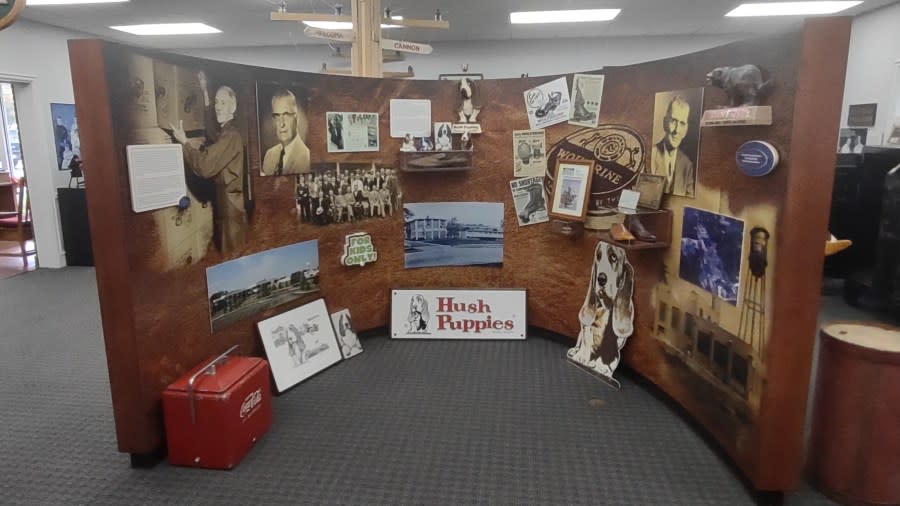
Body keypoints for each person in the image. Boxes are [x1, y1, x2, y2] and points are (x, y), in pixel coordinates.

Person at [171, 73, 247, 255]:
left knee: (232, 257)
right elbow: (213, 133)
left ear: (233, 106)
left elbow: (205, 166)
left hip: (231, 212)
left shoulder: (231, 136)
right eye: (216, 103)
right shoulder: (227, 132)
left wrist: (185, 143)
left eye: (223, 103)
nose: (218, 107)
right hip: (227, 207)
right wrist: (205, 93)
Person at [650, 95, 696, 198]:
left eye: (682, 123)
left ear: (686, 129)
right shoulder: (651, 156)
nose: (677, 130)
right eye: (673, 121)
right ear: (665, 122)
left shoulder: (687, 164)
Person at [261, 89, 310, 176]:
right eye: (277, 116)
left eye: (286, 115)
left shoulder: (306, 158)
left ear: (297, 118)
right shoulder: (269, 155)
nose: (281, 123)